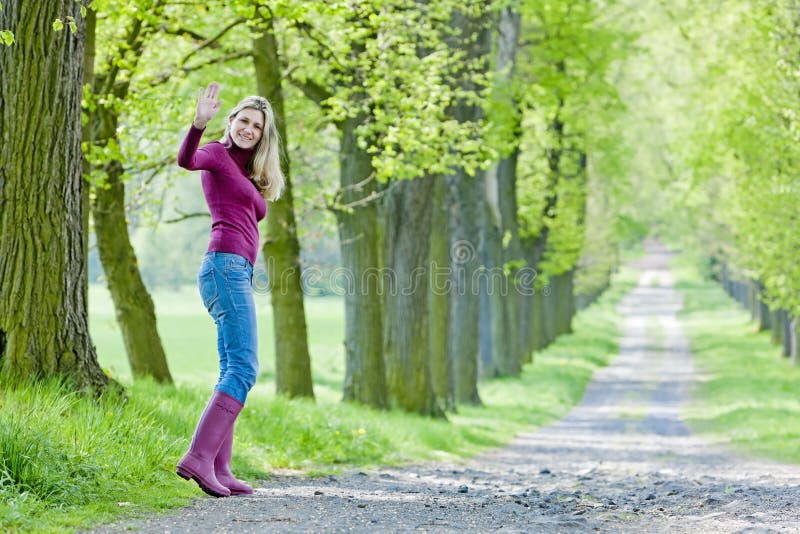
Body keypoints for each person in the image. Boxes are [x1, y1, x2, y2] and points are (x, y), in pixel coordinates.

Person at [175, 82, 284, 497]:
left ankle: (220, 467)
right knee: (244, 369)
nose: (248, 129)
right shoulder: (218, 155)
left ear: (262, 135)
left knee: (231, 369)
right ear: (231, 121)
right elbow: (187, 160)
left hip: (234, 270)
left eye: (256, 126)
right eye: (243, 120)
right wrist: (197, 124)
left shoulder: (246, 171)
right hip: (223, 267)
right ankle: (199, 458)